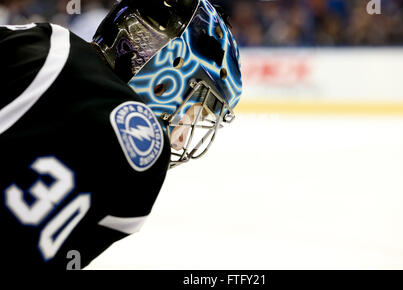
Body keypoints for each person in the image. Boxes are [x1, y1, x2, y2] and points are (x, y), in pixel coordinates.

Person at [0, 0, 242, 269]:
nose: (184, 136)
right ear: (170, 72)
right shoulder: (144, 152)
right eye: (195, 110)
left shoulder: (42, 42)